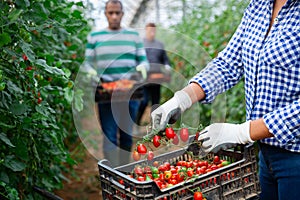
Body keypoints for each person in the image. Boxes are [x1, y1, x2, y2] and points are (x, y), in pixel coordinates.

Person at [151, 0, 299, 199]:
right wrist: (182, 99)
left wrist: (243, 132)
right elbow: (228, 64)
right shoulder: (259, 6)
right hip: (266, 154)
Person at [84, 0, 148, 167]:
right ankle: (113, 173)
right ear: (105, 14)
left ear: (122, 14)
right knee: (110, 136)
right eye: (110, 13)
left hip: (130, 93)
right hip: (106, 93)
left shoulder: (133, 36)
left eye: (117, 13)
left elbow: (143, 60)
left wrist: (141, 69)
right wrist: (91, 73)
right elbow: (88, 63)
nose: (114, 16)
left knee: (126, 134)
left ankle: (125, 170)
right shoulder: (95, 37)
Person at [136, 22, 171, 125]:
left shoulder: (159, 44)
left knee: (155, 103)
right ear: (146, 30)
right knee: (144, 101)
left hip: (157, 77)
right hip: (144, 78)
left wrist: (167, 65)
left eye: (153, 30)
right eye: (150, 30)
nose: (152, 32)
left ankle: (154, 125)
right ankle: (137, 121)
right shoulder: (141, 44)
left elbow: (164, 58)